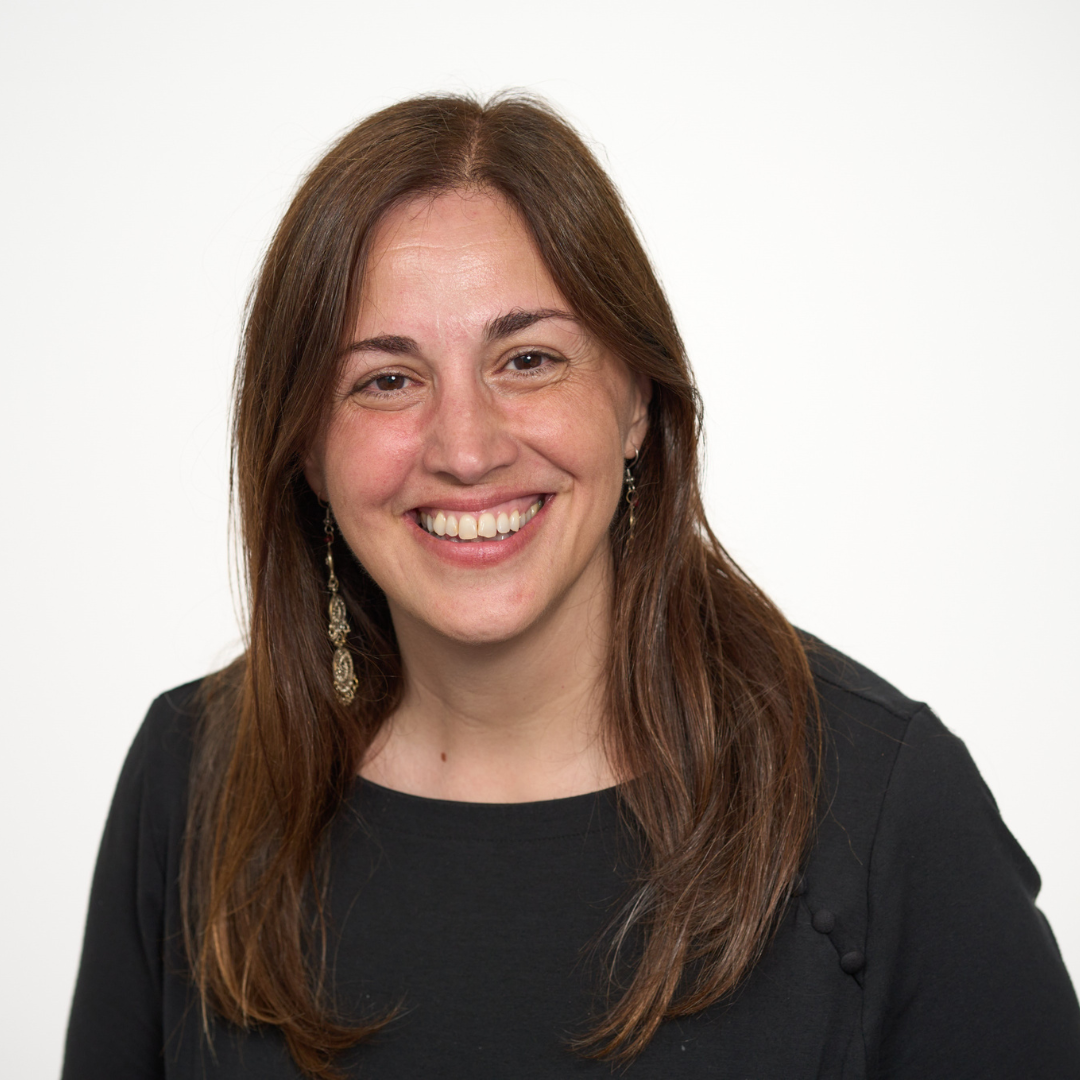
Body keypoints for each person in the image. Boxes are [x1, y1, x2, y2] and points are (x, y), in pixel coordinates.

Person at [62, 93, 1080, 1080]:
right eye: (386, 379)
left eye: (530, 358)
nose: (466, 448)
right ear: (308, 452)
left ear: (636, 400)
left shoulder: (883, 810)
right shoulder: (193, 781)